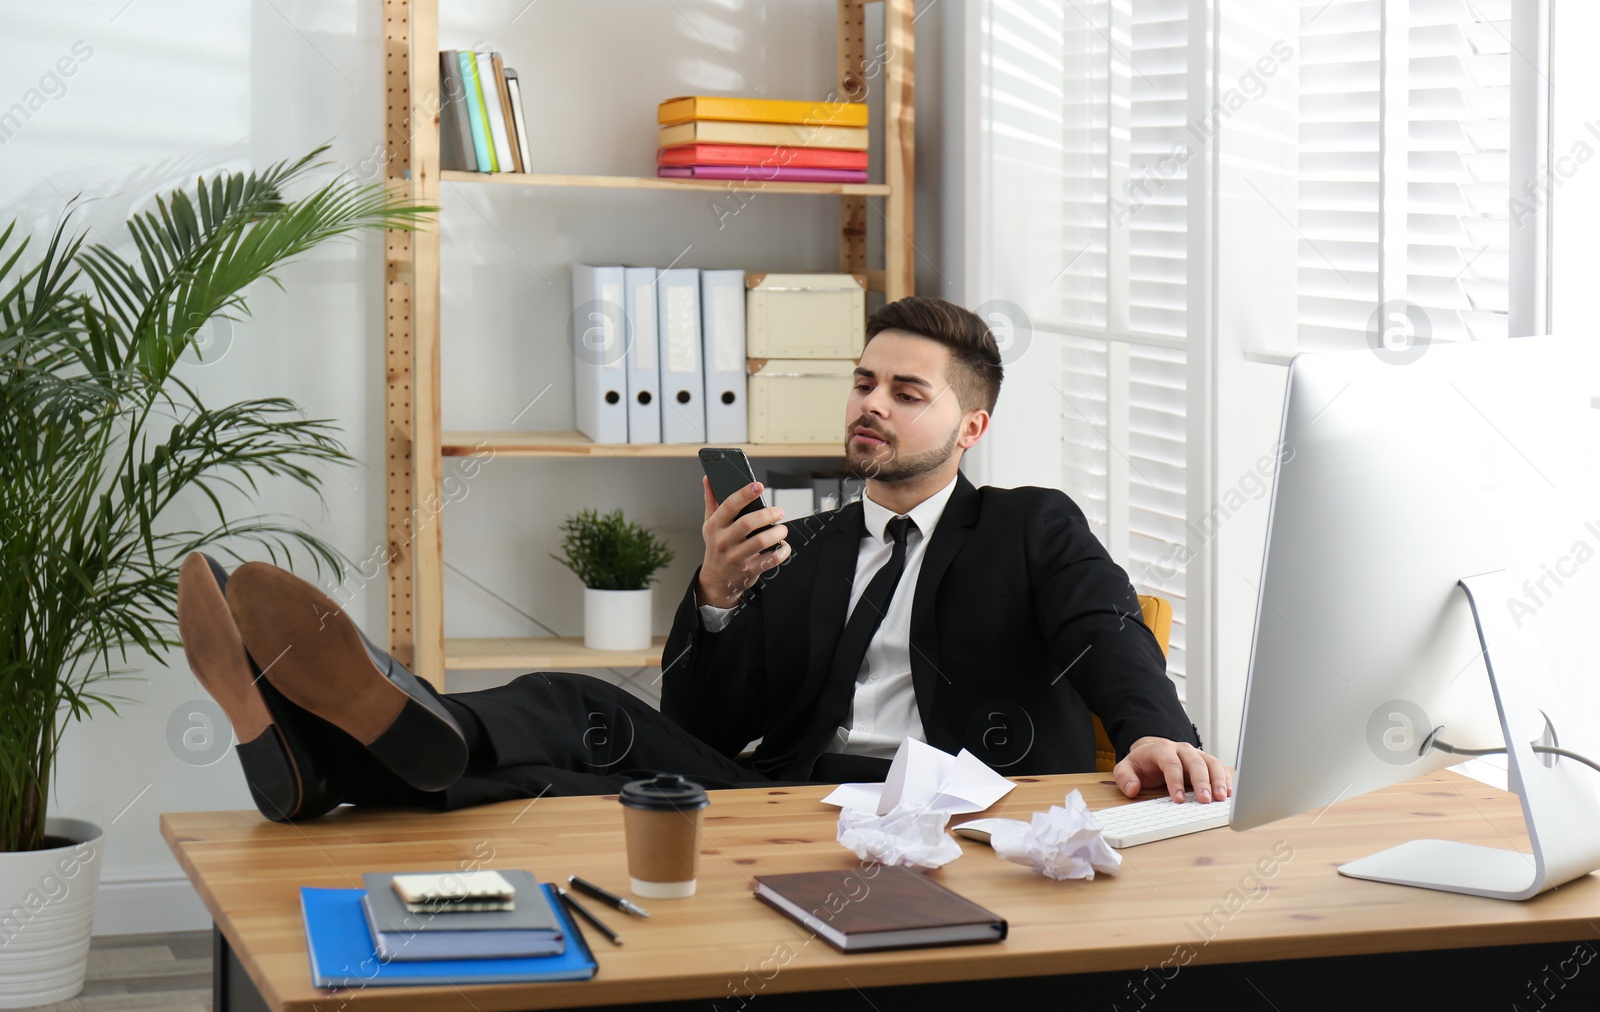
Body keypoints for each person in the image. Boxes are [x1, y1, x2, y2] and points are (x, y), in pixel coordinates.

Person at [177, 296, 1228, 823]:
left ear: (972, 426)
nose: (871, 404)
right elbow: (706, 728)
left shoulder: (1027, 525)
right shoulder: (799, 543)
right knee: (575, 719)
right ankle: (367, 735)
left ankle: (321, 762)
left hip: (959, 808)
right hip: (798, 797)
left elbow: (1108, 630)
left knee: (554, 782)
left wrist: (1157, 732)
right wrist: (717, 598)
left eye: (907, 392)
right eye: (864, 381)